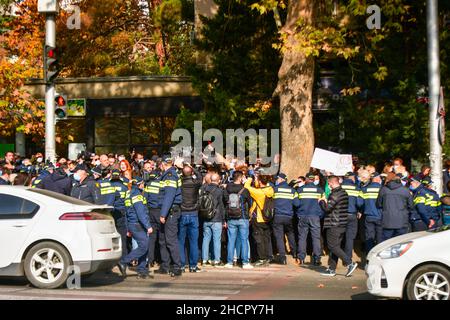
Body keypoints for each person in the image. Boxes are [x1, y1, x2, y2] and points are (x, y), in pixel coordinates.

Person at [319, 176, 358, 277]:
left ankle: (350, 263)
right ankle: (332, 269)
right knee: (335, 247)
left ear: (332, 183)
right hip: (341, 223)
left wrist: (321, 201)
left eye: (329, 184)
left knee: (333, 246)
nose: (329, 186)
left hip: (334, 224)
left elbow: (327, 209)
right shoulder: (344, 192)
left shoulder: (335, 194)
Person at [117, 177, 153, 279]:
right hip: (138, 224)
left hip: (132, 224)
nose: (143, 185)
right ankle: (123, 261)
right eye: (142, 184)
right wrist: (148, 226)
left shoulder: (128, 194)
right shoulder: (137, 195)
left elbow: (126, 213)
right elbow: (140, 213)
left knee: (144, 246)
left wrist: (128, 228)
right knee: (144, 246)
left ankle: (142, 270)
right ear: (139, 184)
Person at [157, 155, 183, 277]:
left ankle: (177, 267)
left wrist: (163, 214)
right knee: (163, 240)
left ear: (163, 164)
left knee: (171, 240)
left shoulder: (170, 176)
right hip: (168, 211)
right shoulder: (167, 175)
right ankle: (165, 266)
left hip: (170, 212)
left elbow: (169, 196)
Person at [224, 171, 253, 269]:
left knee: (231, 240)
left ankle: (229, 262)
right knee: (244, 240)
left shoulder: (227, 188)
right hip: (243, 217)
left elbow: (224, 202)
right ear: (241, 178)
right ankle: (245, 262)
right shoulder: (245, 190)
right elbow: (250, 203)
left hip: (231, 218)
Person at [244, 174, 274, 266]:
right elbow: (259, 186)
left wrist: (250, 178)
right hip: (268, 218)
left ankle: (261, 259)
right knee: (266, 239)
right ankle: (268, 257)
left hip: (259, 218)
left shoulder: (259, 193)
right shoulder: (270, 190)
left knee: (259, 239)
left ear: (260, 182)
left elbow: (246, 187)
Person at [296, 172, 325, 265]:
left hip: (303, 216)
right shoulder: (320, 190)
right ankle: (317, 259)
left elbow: (296, 204)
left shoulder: (300, 190)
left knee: (302, 237)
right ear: (313, 179)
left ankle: (301, 258)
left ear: (307, 179)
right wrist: (320, 214)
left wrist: (299, 213)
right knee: (316, 238)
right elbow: (324, 204)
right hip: (315, 216)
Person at [178, 164, 203, 272]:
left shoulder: (180, 183)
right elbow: (200, 177)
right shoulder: (195, 183)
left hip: (182, 212)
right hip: (193, 212)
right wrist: (194, 169)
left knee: (181, 241)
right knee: (194, 242)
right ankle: (193, 266)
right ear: (191, 173)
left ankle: (182, 265)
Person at [376, 172, 414, 241]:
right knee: (401, 242)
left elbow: (378, 204)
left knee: (386, 243)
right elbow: (411, 206)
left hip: (387, 221)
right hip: (401, 221)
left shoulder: (383, 189)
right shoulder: (405, 190)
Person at [271, 173, 299, 265]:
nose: (277, 180)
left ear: (282, 179)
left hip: (277, 216)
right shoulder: (292, 191)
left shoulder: (275, 190)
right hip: (288, 217)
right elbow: (297, 204)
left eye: (278, 179)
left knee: (279, 237)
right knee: (290, 234)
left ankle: (282, 257)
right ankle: (294, 253)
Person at [201, 173, 227, 267]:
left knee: (206, 239)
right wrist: (224, 220)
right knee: (216, 240)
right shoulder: (219, 191)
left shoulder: (204, 189)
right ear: (218, 180)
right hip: (216, 218)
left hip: (205, 217)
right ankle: (216, 260)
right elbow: (221, 205)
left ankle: (204, 259)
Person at [143, 162, 162, 268]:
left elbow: (144, 199)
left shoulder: (148, 185)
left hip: (151, 212)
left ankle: (150, 260)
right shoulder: (161, 184)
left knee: (152, 238)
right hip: (160, 212)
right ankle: (160, 259)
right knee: (162, 237)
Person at [107, 169, 129, 260]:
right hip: (121, 213)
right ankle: (124, 258)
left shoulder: (108, 186)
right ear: (119, 176)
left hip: (110, 212)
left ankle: (111, 259)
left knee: (110, 237)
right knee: (122, 237)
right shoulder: (124, 187)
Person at [341, 172, 363, 260]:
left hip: (340, 215)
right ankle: (348, 259)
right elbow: (360, 203)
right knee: (350, 238)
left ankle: (338, 256)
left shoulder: (339, 187)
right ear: (353, 178)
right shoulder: (357, 189)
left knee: (338, 237)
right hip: (352, 215)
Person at [360, 172, 383, 252]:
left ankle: (369, 255)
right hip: (380, 216)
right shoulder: (382, 189)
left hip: (369, 216)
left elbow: (359, 203)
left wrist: (363, 209)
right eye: (379, 178)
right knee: (380, 237)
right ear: (377, 179)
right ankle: (379, 253)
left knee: (369, 237)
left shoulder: (364, 189)